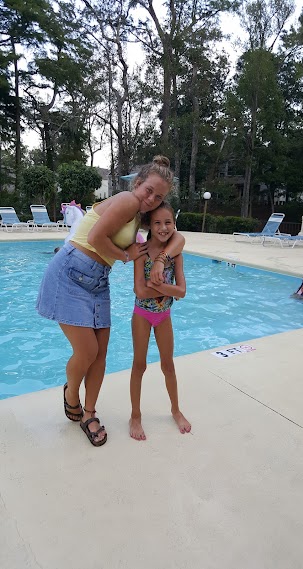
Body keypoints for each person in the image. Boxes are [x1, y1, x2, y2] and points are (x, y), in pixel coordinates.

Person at [36, 156, 185, 447]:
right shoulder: (129, 200)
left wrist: (159, 257)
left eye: (160, 197)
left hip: (97, 278)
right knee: (88, 350)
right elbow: (94, 235)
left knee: (101, 353)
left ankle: (89, 413)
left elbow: (176, 237)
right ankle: (71, 396)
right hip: (72, 272)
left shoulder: (141, 214)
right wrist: (127, 255)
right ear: (138, 183)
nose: (152, 199)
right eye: (149, 190)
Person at [129, 201, 191, 441]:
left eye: (168, 222)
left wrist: (158, 285)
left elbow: (183, 291)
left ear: (174, 225)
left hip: (164, 316)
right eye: (157, 223)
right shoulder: (142, 252)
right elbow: (140, 292)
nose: (163, 227)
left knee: (168, 365)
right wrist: (167, 289)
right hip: (142, 316)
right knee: (139, 365)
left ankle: (175, 410)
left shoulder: (175, 255)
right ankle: (135, 415)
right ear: (150, 226)